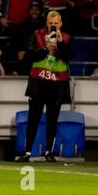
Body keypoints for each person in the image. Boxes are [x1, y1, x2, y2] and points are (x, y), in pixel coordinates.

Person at [17, 11, 73, 162]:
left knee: (52, 120)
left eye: (56, 23)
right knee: (33, 119)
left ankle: (49, 152)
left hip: (57, 85)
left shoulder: (66, 37)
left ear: (60, 24)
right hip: (38, 83)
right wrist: (45, 49)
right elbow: (28, 55)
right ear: (46, 23)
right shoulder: (37, 35)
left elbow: (69, 56)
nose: (53, 25)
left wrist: (60, 43)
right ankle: (27, 152)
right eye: (51, 23)